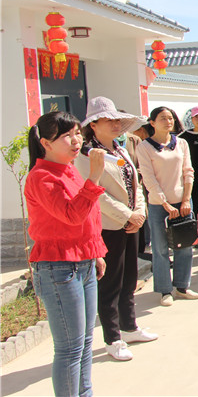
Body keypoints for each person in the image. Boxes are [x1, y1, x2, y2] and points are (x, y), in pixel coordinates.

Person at [25, 112, 107, 396]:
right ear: (46, 143)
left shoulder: (68, 169)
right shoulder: (42, 177)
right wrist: (94, 177)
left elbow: (89, 217)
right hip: (59, 268)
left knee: (84, 343)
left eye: (77, 134)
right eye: (67, 136)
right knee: (70, 349)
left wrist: (95, 251)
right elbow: (72, 215)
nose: (76, 141)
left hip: (83, 263)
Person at [75, 98, 155, 362]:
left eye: (117, 119)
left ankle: (129, 327)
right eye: (108, 120)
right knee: (110, 283)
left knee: (129, 278)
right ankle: (113, 338)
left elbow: (135, 183)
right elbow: (96, 193)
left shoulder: (120, 150)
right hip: (109, 226)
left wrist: (139, 212)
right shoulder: (87, 155)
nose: (115, 124)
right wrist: (127, 215)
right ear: (93, 125)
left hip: (131, 224)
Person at [137, 107, 198, 306]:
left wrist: (186, 199)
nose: (168, 121)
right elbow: (148, 178)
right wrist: (164, 203)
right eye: (162, 118)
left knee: (185, 245)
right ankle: (165, 290)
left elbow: (188, 171)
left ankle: (182, 286)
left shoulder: (181, 143)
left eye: (170, 118)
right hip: (159, 205)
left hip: (183, 202)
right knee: (160, 248)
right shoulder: (144, 147)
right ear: (152, 123)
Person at [179, 107, 198, 249]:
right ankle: (194, 236)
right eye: (197, 117)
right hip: (190, 177)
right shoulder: (183, 137)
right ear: (191, 119)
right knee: (193, 207)